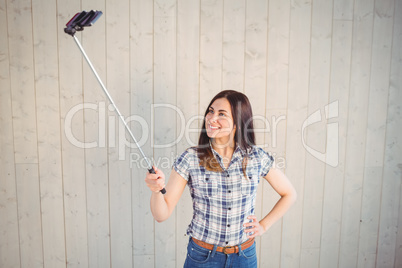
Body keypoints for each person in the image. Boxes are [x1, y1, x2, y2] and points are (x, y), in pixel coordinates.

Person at [145, 90, 297, 267]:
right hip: (202, 257)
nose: (211, 118)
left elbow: (289, 194)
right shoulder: (190, 158)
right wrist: (156, 191)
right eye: (211, 111)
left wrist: (263, 226)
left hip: (245, 257)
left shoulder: (257, 157)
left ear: (238, 123)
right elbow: (161, 214)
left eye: (221, 114)